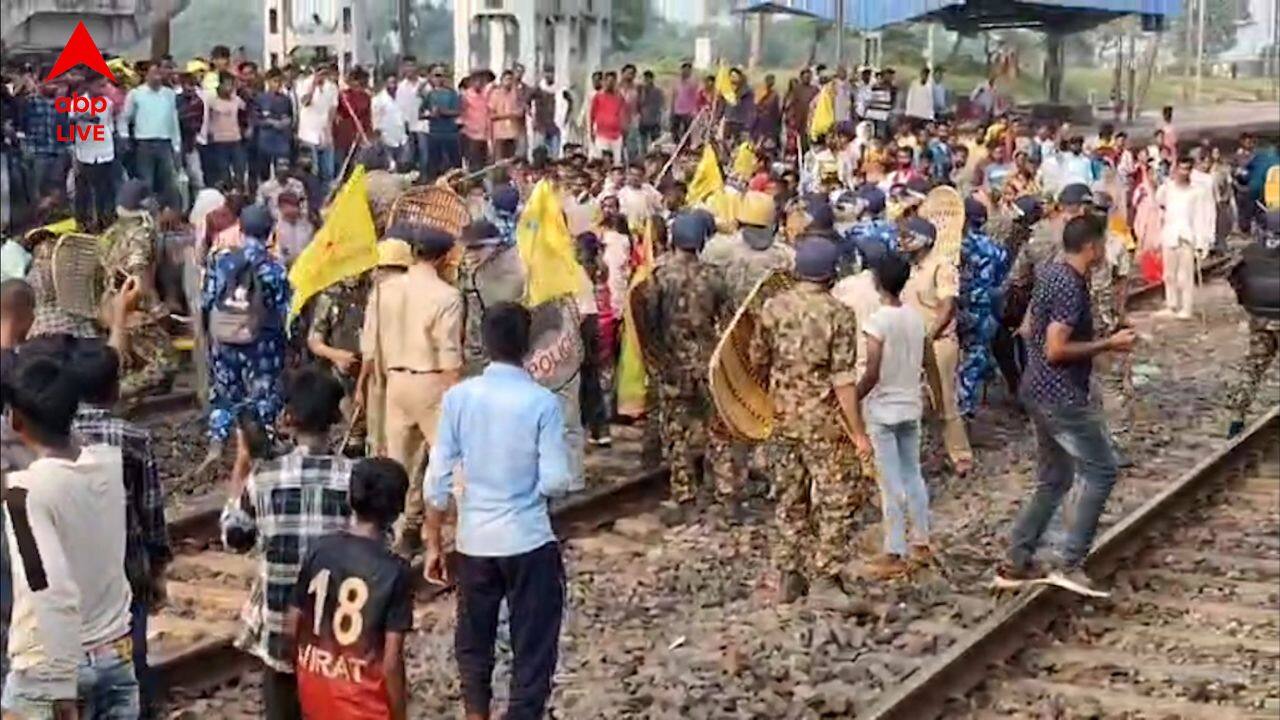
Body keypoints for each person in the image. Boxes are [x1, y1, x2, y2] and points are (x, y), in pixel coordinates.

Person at [423, 302, 571, 720]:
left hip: (475, 541)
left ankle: (476, 713)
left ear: (484, 343)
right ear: (527, 346)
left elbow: (436, 479)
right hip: (527, 539)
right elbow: (556, 480)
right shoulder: (542, 403)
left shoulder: (458, 398)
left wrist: (434, 542)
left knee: (474, 639)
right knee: (533, 645)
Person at [996, 214, 1137, 598]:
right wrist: (1109, 344)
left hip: (1038, 390)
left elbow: (1029, 331)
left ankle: (1016, 561)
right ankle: (1069, 562)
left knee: (1054, 479)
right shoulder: (1070, 286)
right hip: (1061, 396)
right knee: (1103, 470)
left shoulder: (1053, 274)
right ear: (1092, 246)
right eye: (1103, 243)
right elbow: (1055, 348)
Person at [2, 354, 137, 719]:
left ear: (15, 420)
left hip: (50, 668)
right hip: (115, 654)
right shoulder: (109, 463)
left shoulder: (22, 493)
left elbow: (47, 588)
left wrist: (60, 685)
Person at [221, 367, 354, 720]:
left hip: (280, 626)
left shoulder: (264, 478)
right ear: (335, 420)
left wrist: (242, 466)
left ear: (289, 419)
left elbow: (235, 539)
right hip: (336, 629)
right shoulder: (353, 478)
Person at [747, 236, 870, 604]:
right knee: (838, 496)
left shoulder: (772, 308)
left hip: (781, 418)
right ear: (831, 274)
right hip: (823, 422)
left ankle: (790, 576)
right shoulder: (838, 314)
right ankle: (825, 580)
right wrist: (859, 433)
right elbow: (843, 381)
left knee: (789, 497)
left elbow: (756, 359)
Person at [69, 340, 171, 718]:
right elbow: (151, 511)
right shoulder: (133, 439)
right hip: (126, 568)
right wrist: (159, 565)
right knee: (131, 654)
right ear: (115, 388)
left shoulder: (56, 437)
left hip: (72, 569)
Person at [357, 227, 462, 556]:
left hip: (394, 382)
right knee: (451, 461)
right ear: (444, 257)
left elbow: (370, 349)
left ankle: (399, 530)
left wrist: (366, 387)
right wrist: (459, 399)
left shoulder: (383, 291)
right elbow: (448, 356)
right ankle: (467, 529)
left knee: (398, 464)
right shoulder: (447, 296)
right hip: (430, 381)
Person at [287, 458, 413, 720]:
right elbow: (391, 663)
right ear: (398, 508)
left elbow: (292, 626)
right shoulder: (395, 571)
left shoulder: (319, 548)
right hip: (364, 706)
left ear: (351, 498)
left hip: (316, 693)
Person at [635, 213, 731, 516]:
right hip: (707, 363)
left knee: (676, 432)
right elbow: (728, 323)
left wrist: (656, 358)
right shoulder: (715, 276)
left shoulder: (657, 277)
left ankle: (684, 495)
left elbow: (646, 323)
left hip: (671, 366)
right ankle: (723, 491)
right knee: (717, 429)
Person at [856, 251, 929, 579]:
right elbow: (927, 362)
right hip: (911, 405)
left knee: (889, 482)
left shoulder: (877, 322)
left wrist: (852, 397)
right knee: (913, 474)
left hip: (883, 410)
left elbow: (872, 371)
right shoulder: (915, 318)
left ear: (876, 282)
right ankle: (922, 541)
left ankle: (895, 549)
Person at [201, 205, 289, 456]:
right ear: (271, 233)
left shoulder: (220, 260)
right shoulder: (274, 269)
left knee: (224, 391)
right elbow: (284, 311)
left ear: (240, 229)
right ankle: (264, 443)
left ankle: (218, 439)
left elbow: (207, 299)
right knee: (263, 393)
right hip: (261, 343)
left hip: (224, 339)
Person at [900, 216, 973, 476]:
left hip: (938, 342)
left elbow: (947, 306)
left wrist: (929, 336)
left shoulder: (942, 267)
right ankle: (934, 453)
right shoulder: (907, 268)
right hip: (911, 342)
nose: (903, 241)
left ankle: (960, 456)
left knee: (944, 400)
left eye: (909, 237)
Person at [100, 179, 179, 400]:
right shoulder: (141, 233)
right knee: (166, 364)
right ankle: (116, 395)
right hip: (133, 309)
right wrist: (156, 308)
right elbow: (138, 273)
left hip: (110, 307)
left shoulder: (112, 232)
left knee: (134, 360)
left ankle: (130, 399)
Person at [1225, 210, 1280, 437]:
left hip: (1260, 319)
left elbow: (1232, 275)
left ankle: (1236, 418)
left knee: (1253, 368)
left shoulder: (1249, 253)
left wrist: (1245, 301)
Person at [956, 199, 1011, 417]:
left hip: (957, 306)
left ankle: (961, 406)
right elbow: (1002, 279)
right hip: (984, 307)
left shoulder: (954, 246)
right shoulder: (995, 249)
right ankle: (969, 401)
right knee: (976, 353)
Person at [1155, 156, 1212, 320]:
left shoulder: (1197, 192)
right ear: (1176, 169)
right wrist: (1163, 184)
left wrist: (1202, 242)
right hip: (1170, 234)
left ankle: (1186, 308)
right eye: (1181, 168)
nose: (1183, 172)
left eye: (1187, 169)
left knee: (1185, 276)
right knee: (1169, 274)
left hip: (1187, 236)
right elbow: (1159, 200)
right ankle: (1171, 305)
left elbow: (1200, 217)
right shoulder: (1169, 188)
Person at [122, 63, 182, 208]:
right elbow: (125, 118)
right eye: (154, 73)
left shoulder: (169, 94)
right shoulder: (136, 94)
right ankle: (147, 214)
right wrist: (124, 136)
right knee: (146, 181)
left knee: (169, 182)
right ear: (146, 75)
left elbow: (173, 120)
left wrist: (176, 145)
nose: (157, 76)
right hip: (144, 143)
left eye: (159, 73)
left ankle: (172, 214)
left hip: (164, 142)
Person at [69, 74, 119, 231]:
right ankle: (84, 223)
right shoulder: (78, 103)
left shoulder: (107, 103)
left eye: (105, 86)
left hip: (105, 152)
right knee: (83, 192)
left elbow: (108, 125)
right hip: (85, 153)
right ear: (89, 85)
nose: (103, 89)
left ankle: (105, 222)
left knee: (105, 191)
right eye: (100, 86)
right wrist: (81, 118)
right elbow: (71, 123)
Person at [296, 65, 339, 190]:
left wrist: (329, 131)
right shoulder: (303, 84)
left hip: (324, 133)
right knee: (312, 171)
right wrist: (313, 86)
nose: (322, 75)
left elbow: (332, 109)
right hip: (308, 134)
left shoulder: (332, 87)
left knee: (328, 172)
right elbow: (305, 102)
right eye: (319, 72)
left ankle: (325, 200)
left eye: (325, 73)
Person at [421, 64, 462, 179]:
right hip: (434, 134)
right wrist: (430, 115)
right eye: (436, 75)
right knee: (433, 166)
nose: (439, 78)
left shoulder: (452, 94)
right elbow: (421, 113)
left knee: (455, 166)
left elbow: (457, 112)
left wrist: (442, 112)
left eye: (441, 75)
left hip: (450, 134)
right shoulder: (429, 94)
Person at [333, 68, 373, 168]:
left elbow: (367, 117)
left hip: (359, 135)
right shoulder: (343, 96)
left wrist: (366, 133)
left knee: (356, 164)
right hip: (343, 135)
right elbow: (337, 112)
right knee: (341, 163)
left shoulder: (366, 97)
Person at [372, 75, 409, 169]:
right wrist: (377, 131)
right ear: (386, 84)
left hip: (400, 132)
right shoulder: (378, 99)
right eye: (391, 83)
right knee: (389, 162)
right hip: (386, 132)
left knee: (403, 161)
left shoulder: (402, 97)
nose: (393, 85)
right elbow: (375, 116)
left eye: (395, 83)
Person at [589, 72, 626, 162]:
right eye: (608, 81)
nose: (610, 83)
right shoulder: (598, 97)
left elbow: (623, 114)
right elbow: (591, 115)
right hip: (601, 135)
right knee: (601, 160)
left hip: (616, 136)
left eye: (612, 81)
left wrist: (624, 131)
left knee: (616, 162)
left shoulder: (619, 97)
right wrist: (591, 131)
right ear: (604, 82)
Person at [488, 70, 523, 162]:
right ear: (502, 80)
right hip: (500, 134)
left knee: (511, 162)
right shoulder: (495, 94)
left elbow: (521, 111)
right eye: (507, 79)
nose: (509, 81)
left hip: (513, 134)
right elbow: (491, 115)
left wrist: (517, 113)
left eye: (511, 79)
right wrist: (508, 115)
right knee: (499, 163)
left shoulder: (515, 94)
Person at [460, 71, 493, 170]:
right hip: (471, 133)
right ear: (472, 82)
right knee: (473, 161)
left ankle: (480, 182)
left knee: (483, 162)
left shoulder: (487, 94)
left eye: (481, 81)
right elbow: (461, 111)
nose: (479, 83)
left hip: (484, 134)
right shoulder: (466, 95)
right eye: (476, 80)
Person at [670, 62, 701, 140]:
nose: (685, 72)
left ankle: (686, 148)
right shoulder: (676, 82)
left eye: (688, 70)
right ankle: (677, 146)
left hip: (688, 112)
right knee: (675, 132)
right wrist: (672, 110)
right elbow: (674, 96)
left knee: (687, 133)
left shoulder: (693, 83)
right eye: (684, 69)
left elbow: (697, 96)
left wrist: (695, 111)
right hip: (677, 111)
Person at [636, 70, 664, 150]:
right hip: (643, 121)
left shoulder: (657, 91)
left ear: (652, 79)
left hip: (654, 121)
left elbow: (660, 105)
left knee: (656, 143)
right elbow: (639, 104)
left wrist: (659, 118)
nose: (646, 81)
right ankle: (644, 157)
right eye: (645, 79)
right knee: (643, 143)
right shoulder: (640, 91)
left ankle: (656, 157)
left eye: (648, 79)